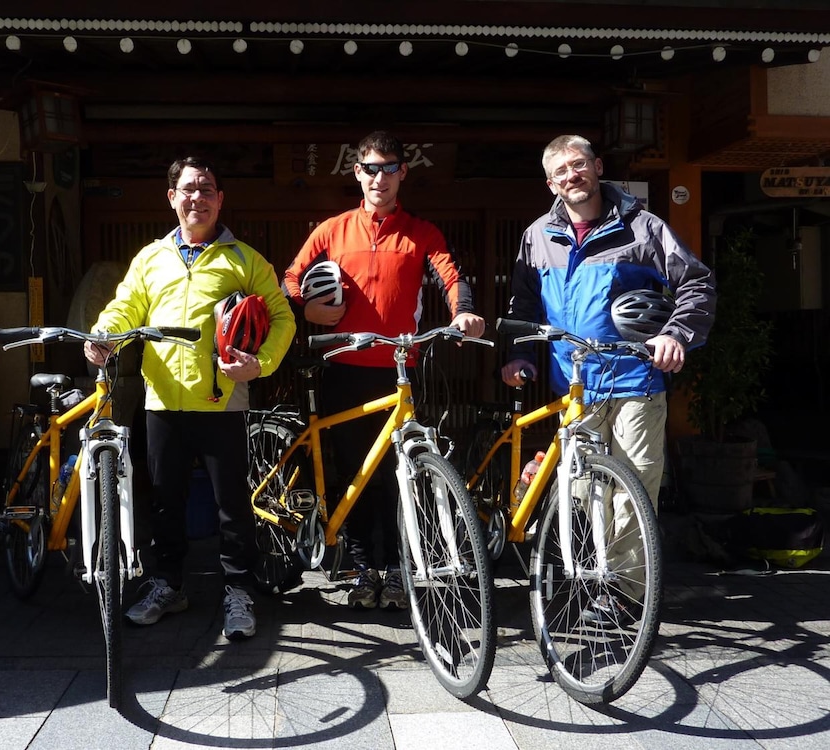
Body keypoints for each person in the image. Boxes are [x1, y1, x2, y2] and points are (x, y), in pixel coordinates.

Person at [500, 134, 716, 623]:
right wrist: (519, 355)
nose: (571, 176)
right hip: (575, 386)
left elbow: (696, 282)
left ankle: (623, 595)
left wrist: (675, 334)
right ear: (550, 183)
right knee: (583, 491)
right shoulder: (538, 235)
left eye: (578, 165)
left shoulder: (642, 227)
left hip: (635, 380)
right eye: (560, 171)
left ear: (597, 167)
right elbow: (523, 305)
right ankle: (590, 577)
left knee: (632, 490)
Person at [85, 156, 295, 639]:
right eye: (188, 189)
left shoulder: (245, 259)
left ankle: (238, 591)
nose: (197, 197)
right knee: (165, 502)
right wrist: (103, 334)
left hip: (222, 399)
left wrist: (260, 363)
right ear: (172, 198)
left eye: (206, 189)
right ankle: (168, 584)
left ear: (220, 199)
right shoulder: (150, 258)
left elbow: (282, 317)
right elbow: (125, 306)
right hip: (161, 400)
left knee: (232, 505)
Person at [283, 130, 485, 611]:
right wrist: (307, 308)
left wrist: (463, 313)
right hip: (343, 367)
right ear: (357, 172)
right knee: (354, 471)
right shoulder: (332, 230)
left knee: (400, 473)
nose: (379, 177)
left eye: (388, 168)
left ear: (402, 172)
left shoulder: (421, 232)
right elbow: (290, 278)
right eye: (371, 169)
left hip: (398, 371)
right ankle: (362, 569)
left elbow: (450, 275)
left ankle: (397, 567)